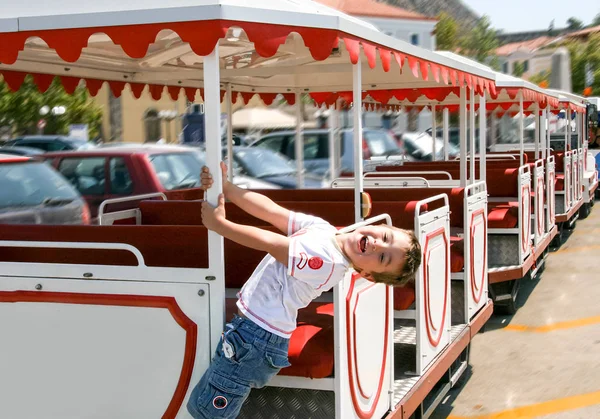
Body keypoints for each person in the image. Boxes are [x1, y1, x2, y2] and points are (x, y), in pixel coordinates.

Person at [187, 162, 422, 419]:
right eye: (385, 237)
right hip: (252, 332)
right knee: (206, 407)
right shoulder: (325, 230)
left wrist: (219, 225)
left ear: (366, 274)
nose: (377, 245)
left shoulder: (330, 263)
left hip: (256, 338)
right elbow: (271, 211)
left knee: (208, 412)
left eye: (383, 258)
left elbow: (273, 243)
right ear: (380, 226)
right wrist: (229, 189)